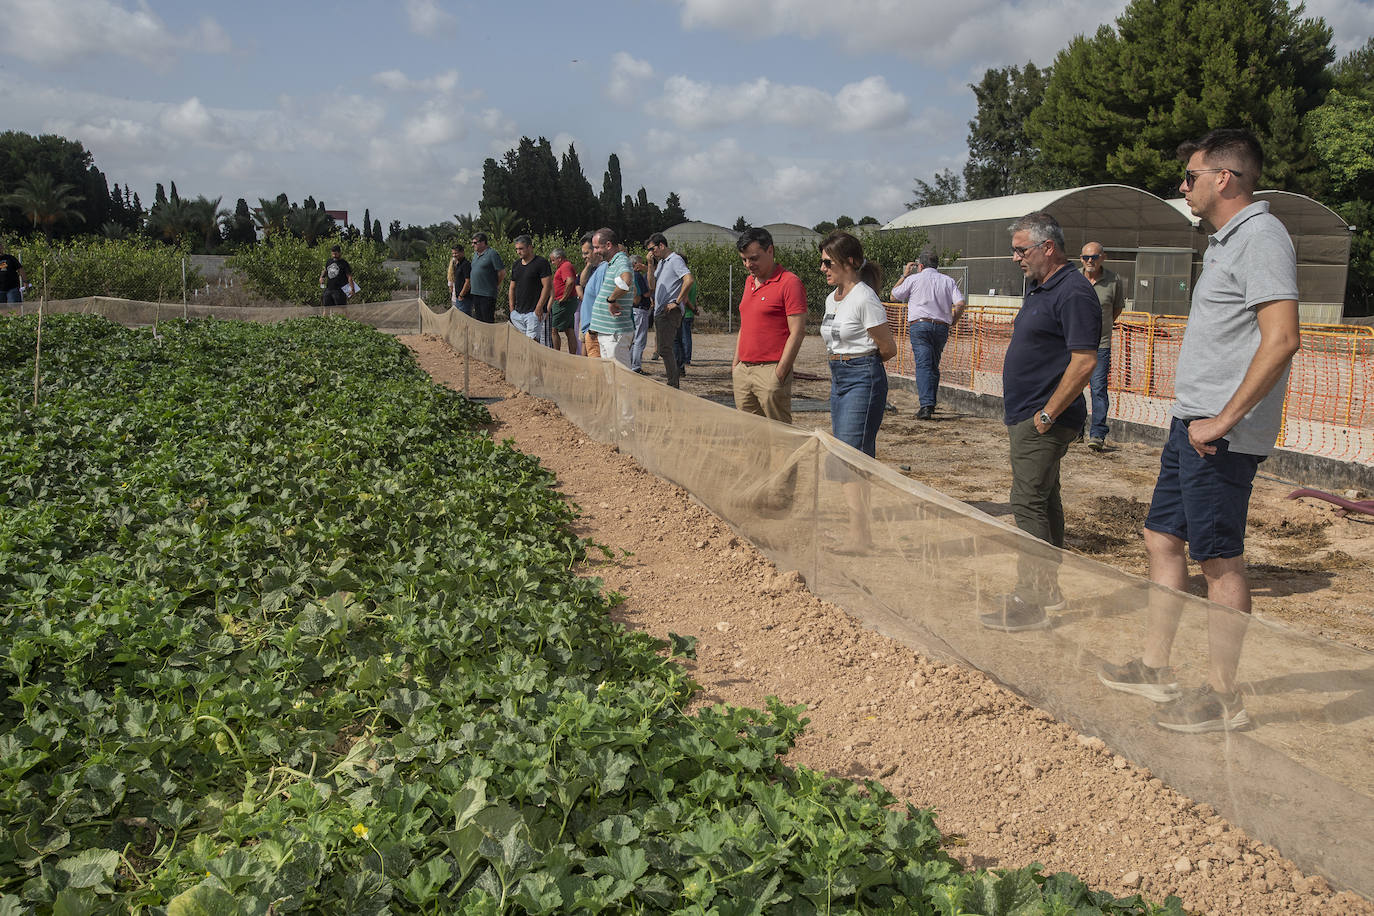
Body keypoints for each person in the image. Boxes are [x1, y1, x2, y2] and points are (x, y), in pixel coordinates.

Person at [1099, 128, 1300, 733]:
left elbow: (1283, 338)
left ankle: (1224, 697)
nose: (1182, 187)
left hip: (1220, 435)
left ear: (1224, 179)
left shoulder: (1262, 237)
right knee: (1162, 538)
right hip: (1192, 424)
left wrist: (1224, 419)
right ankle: (1156, 668)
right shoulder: (1223, 243)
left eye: (1189, 177)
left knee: (1219, 560)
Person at [980, 211, 1101, 633]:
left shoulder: (1073, 293)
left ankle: (1031, 600)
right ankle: (1045, 592)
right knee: (1044, 502)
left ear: (1047, 247)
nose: (1015, 258)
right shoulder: (1041, 287)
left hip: (1044, 419)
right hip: (1030, 415)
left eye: (1020, 250)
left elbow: (1085, 361)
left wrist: (1047, 414)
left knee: (1027, 503)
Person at [819, 231, 898, 548]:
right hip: (839, 376)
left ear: (849, 262)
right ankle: (859, 532)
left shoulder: (865, 298)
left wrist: (860, 366)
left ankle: (859, 535)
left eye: (827, 262)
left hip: (862, 376)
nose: (822, 268)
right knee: (846, 455)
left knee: (850, 457)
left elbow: (888, 348)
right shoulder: (832, 298)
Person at [733, 227, 807, 422]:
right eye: (744, 259)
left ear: (770, 251)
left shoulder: (789, 283)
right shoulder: (749, 281)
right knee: (750, 434)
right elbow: (745, 325)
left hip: (770, 371)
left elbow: (797, 332)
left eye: (754, 258)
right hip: (744, 371)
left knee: (779, 435)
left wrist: (780, 373)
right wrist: (736, 365)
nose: (748, 264)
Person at [889, 250, 967, 419]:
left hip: (920, 325)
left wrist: (904, 275)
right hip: (941, 327)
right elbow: (960, 303)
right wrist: (953, 320)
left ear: (921, 265)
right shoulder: (948, 280)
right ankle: (930, 403)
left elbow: (893, 296)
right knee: (933, 365)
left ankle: (926, 406)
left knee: (924, 365)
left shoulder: (913, 279)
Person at [1080, 241, 1125, 451]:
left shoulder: (1114, 280)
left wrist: (1102, 328)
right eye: (1086, 257)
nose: (1090, 261)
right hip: (1075, 345)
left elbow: (1116, 309)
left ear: (1102, 258)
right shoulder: (1074, 279)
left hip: (1101, 345)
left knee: (1098, 390)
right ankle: (1074, 431)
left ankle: (1097, 434)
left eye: (1094, 257)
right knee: (1072, 388)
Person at [647, 231, 693, 388]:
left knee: (665, 348)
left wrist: (677, 302)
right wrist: (649, 265)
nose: (651, 253)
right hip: (661, 311)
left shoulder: (675, 260)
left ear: (661, 245)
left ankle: (673, 384)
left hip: (669, 311)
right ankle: (673, 381)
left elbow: (689, 279)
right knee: (664, 348)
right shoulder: (661, 263)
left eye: (652, 249)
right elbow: (652, 286)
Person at [589, 228, 636, 366]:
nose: (595, 251)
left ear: (608, 245)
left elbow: (626, 281)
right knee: (612, 376)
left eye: (597, 247)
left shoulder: (621, 261)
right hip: (609, 333)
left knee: (620, 377)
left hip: (614, 334)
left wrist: (611, 299)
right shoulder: (614, 263)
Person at [507, 235, 552, 342]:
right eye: (517, 249)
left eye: (521, 248)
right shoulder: (516, 265)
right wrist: (512, 309)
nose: (518, 252)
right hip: (518, 313)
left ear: (530, 247)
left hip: (534, 313)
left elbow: (547, 286)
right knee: (522, 342)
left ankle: (534, 359)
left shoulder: (541, 263)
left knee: (532, 342)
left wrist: (539, 307)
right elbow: (512, 287)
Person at [577, 232, 605, 358]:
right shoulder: (593, 268)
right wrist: (588, 265)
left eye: (586, 253)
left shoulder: (603, 268)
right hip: (590, 326)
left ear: (596, 250)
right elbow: (582, 282)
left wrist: (594, 328)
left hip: (595, 328)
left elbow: (601, 299)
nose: (584, 256)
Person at [467, 232, 505, 323]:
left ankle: (490, 337)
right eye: (472, 243)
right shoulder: (475, 255)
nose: (473, 245)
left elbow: (502, 272)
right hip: (476, 293)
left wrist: (495, 284)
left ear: (483, 242)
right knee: (479, 320)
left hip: (487, 294)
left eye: (475, 243)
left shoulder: (492, 254)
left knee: (487, 320)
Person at [548, 248, 579, 352]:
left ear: (559, 258)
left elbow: (569, 281)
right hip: (568, 301)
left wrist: (563, 298)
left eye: (553, 260)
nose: (552, 263)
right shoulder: (565, 266)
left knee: (554, 329)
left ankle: (557, 354)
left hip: (564, 303)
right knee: (569, 329)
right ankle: (572, 355)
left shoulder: (565, 266)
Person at [629, 255, 653, 372]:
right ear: (636, 264)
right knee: (639, 339)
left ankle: (631, 364)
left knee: (634, 339)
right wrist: (652, 289)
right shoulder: (637, 275)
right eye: (640, 263)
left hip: (633, 309)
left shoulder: (629, 275)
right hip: (640, 309)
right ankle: (636, 366)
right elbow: (646, 294)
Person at [675, 268, 697, 373]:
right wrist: (695, 309)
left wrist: (692, 308)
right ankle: (687, 357)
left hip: (685, 312)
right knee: (687, 336)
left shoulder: (684, 281)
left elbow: (686, 299)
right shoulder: (693, 281)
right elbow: (694, 298)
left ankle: (685, 358)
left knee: (682, 338)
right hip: (690, 313)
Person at [319, 244, 352, 310]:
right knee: (326, 308)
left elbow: (349, 276)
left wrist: (352, 288)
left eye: (336, 252)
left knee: (342, 309)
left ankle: (345, 319)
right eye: (333, 252)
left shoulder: (344, 263)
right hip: (328, 289)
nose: (334, 254)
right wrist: (321, 277)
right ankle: (325, 320)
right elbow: (325, 270)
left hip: (339, 290)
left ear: (339, 253)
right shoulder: (329, 261)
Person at [447, 244, 472, 316]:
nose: (454, 255)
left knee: (465, 321)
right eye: (453, 253)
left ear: (462, 252)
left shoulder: (466, 264)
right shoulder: (458, 265)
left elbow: (468, 281)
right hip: (458, 298)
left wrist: (461, 295)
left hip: (464, 299)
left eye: (456, 253)